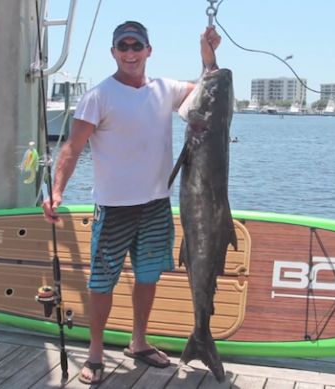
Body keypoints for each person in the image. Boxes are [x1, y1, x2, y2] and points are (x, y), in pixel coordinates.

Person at [42, 21, 221, 385]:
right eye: (122, 47)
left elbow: (210, 90)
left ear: (148, 51)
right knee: (102, 282)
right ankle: (94, 352)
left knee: (148, 276)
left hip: (156, 204)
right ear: (113, 53)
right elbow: (72, 148)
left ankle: (138, 342)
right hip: (114, 207)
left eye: (136, 46)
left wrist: (207, 53)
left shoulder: (166, 89)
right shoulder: (99, 96)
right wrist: (57, 190)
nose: (129, 53)